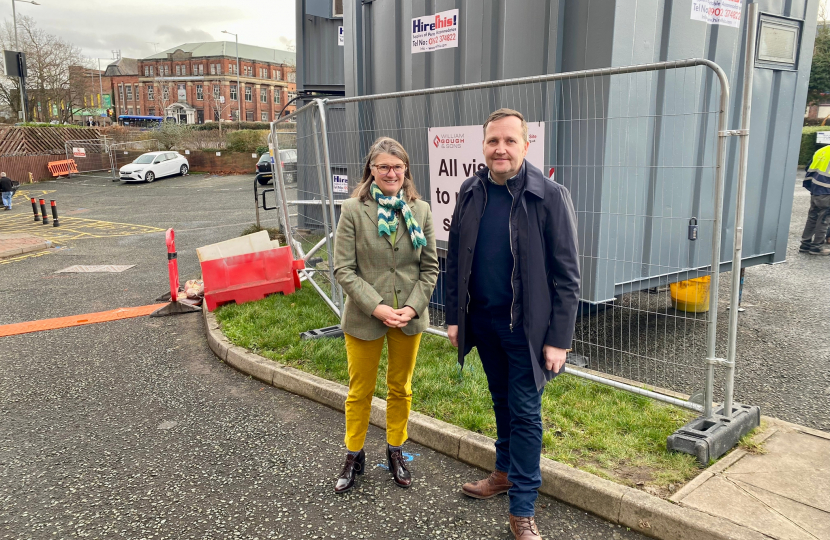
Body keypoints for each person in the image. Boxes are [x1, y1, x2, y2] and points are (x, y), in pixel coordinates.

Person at [445, 109, 581, 540]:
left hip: (526, 329)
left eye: (509, 141)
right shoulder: (470, 190)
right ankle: (503, 471)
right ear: (483, 146)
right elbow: (455, 260)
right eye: (492, 142)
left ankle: (522, 508)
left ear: (526, 145)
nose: (500, 149)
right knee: (500, 399)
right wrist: (454, 318)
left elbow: (568, 275)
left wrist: (558, 339)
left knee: (525, 413)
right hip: (483, 322)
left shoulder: (549, 195)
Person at [332, 137, 439, 494]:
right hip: (365, 316)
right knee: (359, 390)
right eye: (383, 167)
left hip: (409, 317)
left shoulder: (420, 210)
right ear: (371, 170)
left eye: (397, 166)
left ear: (406, 170)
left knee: (400, 388)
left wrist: (411, 307)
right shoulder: (352, 210)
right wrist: (377, 306)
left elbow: (430, 268)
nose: (391, 172)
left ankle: (396, 449)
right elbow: (344, 269)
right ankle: (353, 454)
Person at [800, 143, 830, 255]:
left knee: (812, 217)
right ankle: (817, 247)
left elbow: (808, 167)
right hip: (828, 191)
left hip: (816, 189)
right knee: (824, 219)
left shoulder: (823, 150)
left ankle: (805, 244)